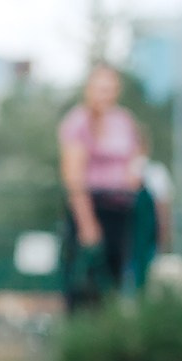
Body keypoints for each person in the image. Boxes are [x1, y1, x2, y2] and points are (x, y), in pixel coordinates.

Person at [58, 65, 144, 311]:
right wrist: (87, 224)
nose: (105, 95)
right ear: (89, 90)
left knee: (116, 278)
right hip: (91, 206)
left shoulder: (123, 120)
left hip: (121, 207)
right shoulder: (78, 123)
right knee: (85, 279)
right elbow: (73, 177)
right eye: (100, 89)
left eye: (111, 89)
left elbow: (134, 156)